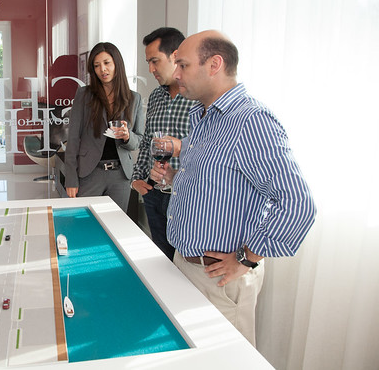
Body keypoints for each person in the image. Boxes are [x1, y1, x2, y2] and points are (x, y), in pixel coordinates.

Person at [157, 30, 316, 346]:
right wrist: (174, 179)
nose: (176, 75)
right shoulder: (202, 116)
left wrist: (246, 257)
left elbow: (297, 203)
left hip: (219, 279)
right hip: (184, 265)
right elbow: (216, 182)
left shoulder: (251, 121)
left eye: (183, 65)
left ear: (214, 64)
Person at [130, 27, 195, 261]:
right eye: (148, 62)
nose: (151, 69)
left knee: (185, 263)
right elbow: (148, 140)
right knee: (162, 259)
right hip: (153, 192)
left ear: (175, 56)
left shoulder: (198, 98)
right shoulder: (156, 96)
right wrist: (137, 179)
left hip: (185, 196)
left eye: (155, 61)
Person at [64, 42, 145, 212]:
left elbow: (139, 140)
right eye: (96, 65)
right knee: (85, 220)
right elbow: (73, 138)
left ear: (117, 64)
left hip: (120, 176)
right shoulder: (84, 95)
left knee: (115, 223)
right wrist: (70, 178)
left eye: (107, 63)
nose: (102, 69)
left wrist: (127, 136)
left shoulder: (134, 99)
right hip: (90, 172)